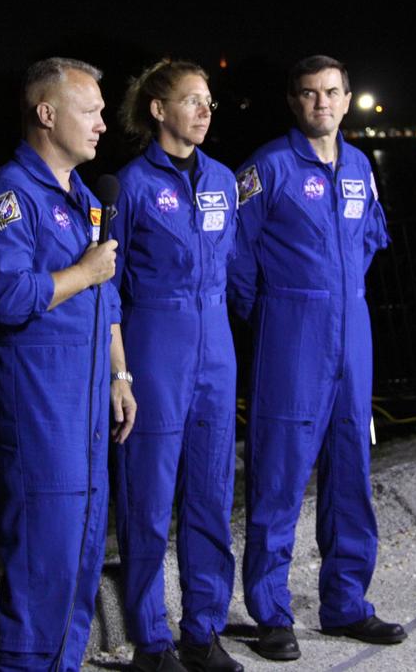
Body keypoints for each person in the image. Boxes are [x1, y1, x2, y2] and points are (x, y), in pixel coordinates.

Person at [228, 55, 404, 662]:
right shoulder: (266, 168)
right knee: (279, 475)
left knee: (351, 467)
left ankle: (347, 603)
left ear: (347, 99)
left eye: (331, 92)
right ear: (293, 101)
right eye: (309, 93)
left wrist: (340, 296)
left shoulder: (359, 166)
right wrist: (274, 314)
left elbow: (370, 238)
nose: (321, 102)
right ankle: (271, 613)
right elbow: (235, 255)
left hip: (352, 334)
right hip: (291, 336)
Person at [0, 57, 137, 671]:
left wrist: (120, 374)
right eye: (90, 110)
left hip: (88, 400)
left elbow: (107, 296)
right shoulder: (10, 196)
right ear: (46, 114)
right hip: (41, 405)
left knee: (80, 556)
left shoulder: (84, 196)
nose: (102, 123)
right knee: (43, 559)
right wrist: (83, 272)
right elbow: (8, 295)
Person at [109, 60, 243, 672]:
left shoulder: (223, 180)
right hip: (155, 345)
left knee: (211, 492)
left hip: (215, 346)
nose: (205, 111)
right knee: (148, 498)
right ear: (158, 109)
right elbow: (109, 286)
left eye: (209, 101)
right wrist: (120, 370)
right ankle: (150, 641)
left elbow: (233, 264)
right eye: (192, 100)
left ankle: (202, 632)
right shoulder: (130, 186)